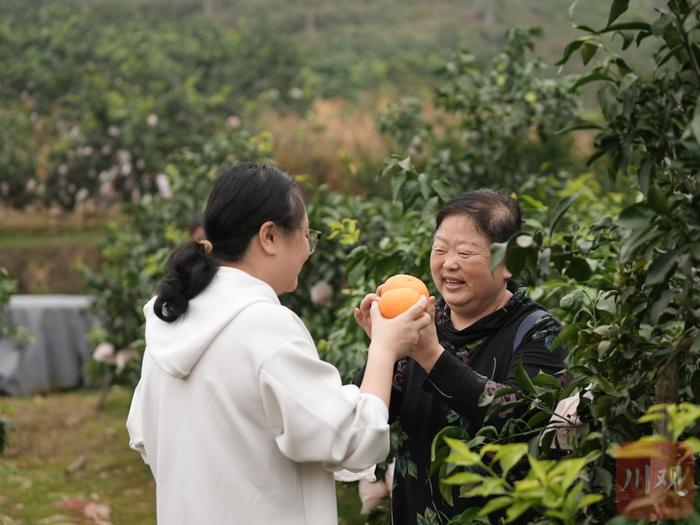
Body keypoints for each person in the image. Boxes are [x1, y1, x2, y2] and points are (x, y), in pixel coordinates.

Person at [126, 163, 432, 525]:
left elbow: (146, 435)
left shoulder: (174, 320)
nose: (308, 250)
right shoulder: (263, 325)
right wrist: (384, 350)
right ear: (269, 236)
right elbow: (352, 438)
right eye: (306, 235)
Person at [354, 189, 568, 524]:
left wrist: (431, 355)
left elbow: (521, 421)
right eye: (440, 249)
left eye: (466, 252)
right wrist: (381, 349)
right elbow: (371, 415)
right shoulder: (420, 319)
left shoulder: (538, 332)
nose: (448, 263)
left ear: (508, 262)